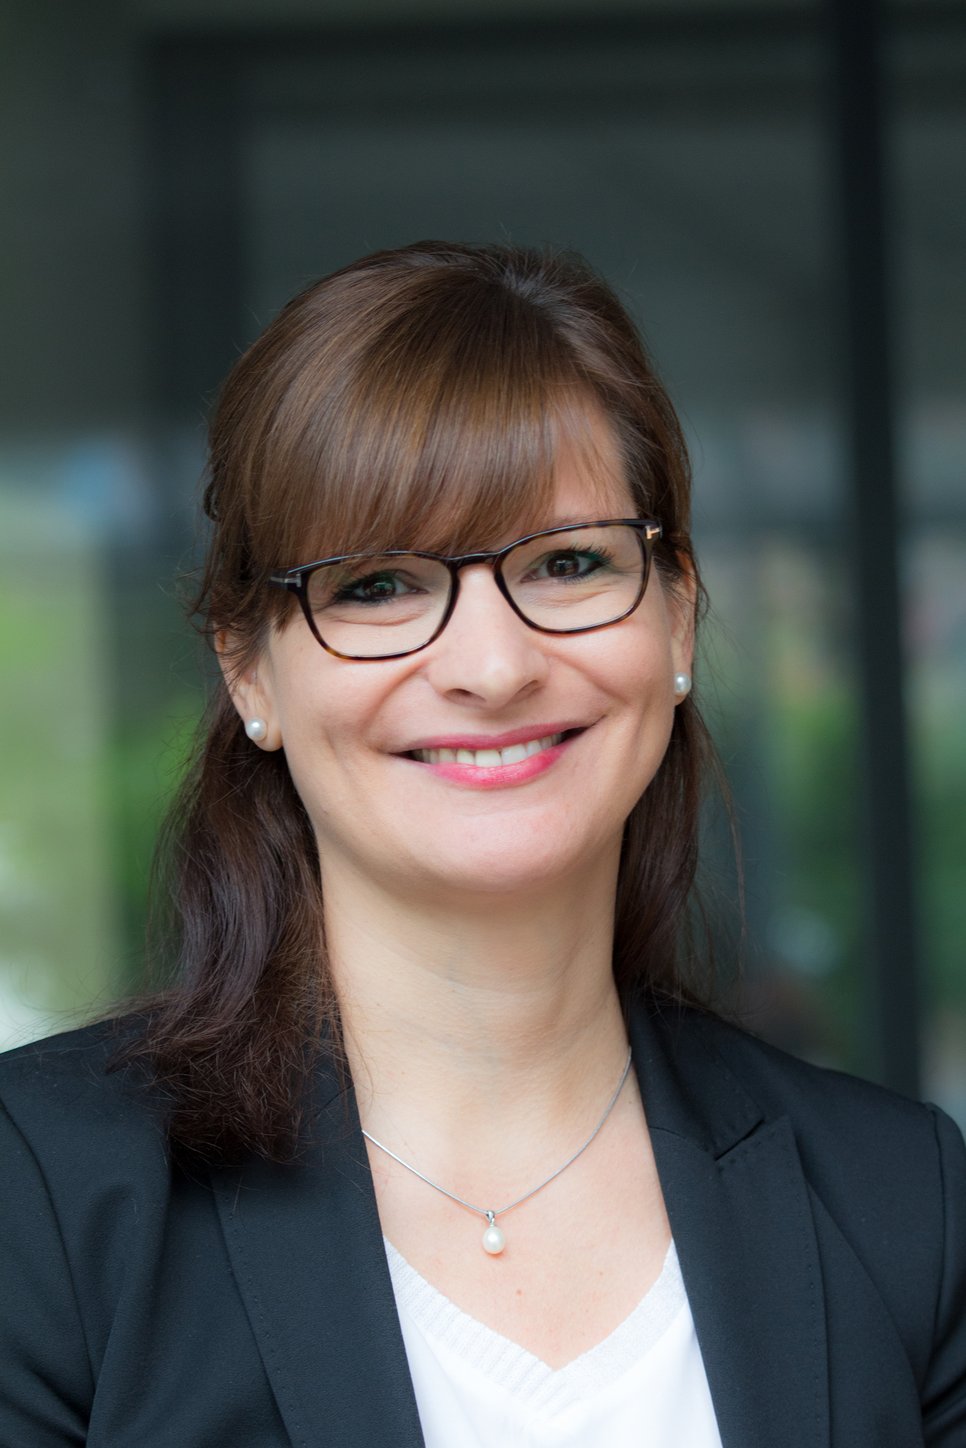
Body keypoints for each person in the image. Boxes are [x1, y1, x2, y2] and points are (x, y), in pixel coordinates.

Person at [1, 241, 963, 1448]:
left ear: (679, 614)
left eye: (568, 564)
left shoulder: (904, 1204)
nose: (494, 665)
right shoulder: (39, 1199)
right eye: (380, 585)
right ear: (248, 667)